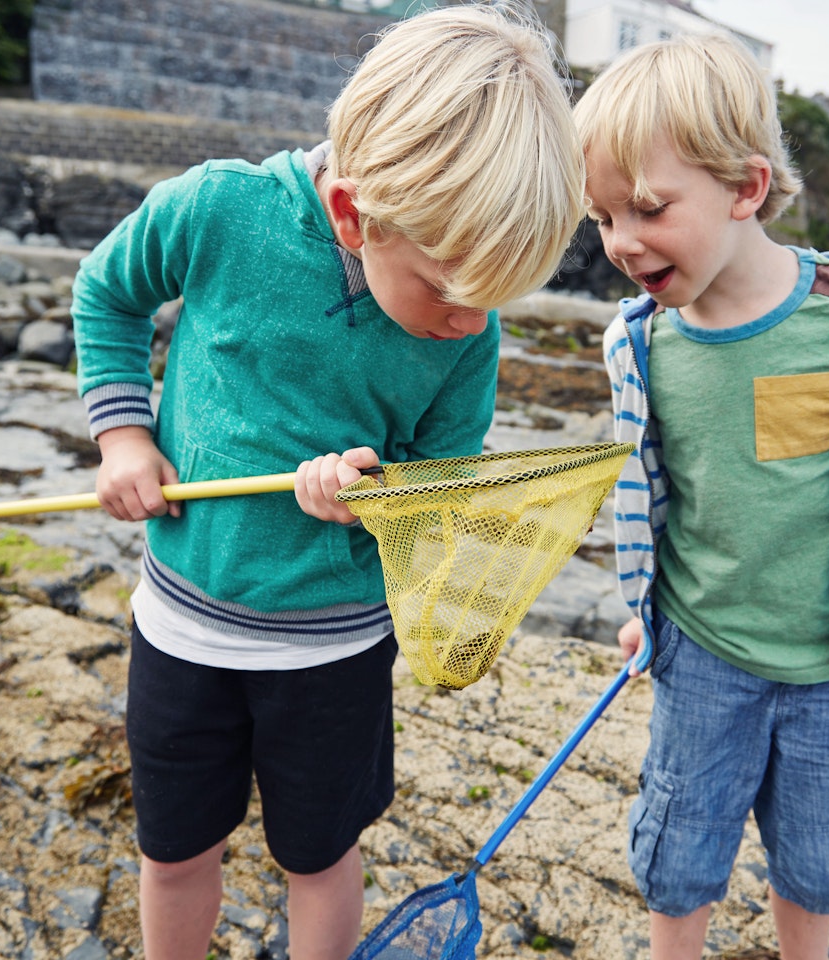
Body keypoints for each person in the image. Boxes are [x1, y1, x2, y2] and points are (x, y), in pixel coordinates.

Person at [69, 5, 584, 958]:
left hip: (335, 655)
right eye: (449, 292)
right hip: (182, 628)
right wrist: (124, 438)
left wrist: (384, 494)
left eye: (495, 302)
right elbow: (107, 292)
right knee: (175, 849)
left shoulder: (466, 331)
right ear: (353, 214)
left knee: (321, 854)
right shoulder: (218, 210)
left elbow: (444, 484)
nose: (470, 327)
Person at [573, 34, 829, 960]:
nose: (622, 243)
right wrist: (642, 611)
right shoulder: (636, 344)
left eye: (649, 209)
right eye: (601, 219)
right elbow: (656, 493)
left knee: (821, 861)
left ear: (747, 190)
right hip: (701, 655)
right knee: (678, 851)